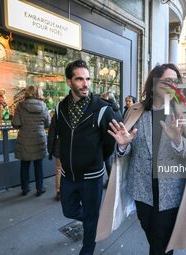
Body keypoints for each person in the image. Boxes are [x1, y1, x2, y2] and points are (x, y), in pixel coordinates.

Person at [97, 63, 186, 255]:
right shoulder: (135, 110)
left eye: (176, 82)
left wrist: (177, 142)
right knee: (154, 235)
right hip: (142, 189)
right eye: (167, 81)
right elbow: (127, 150)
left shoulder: (185, 111)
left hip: (171, 190)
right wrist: (123, 145)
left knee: (161, 241)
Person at [56, 60, 120, 255]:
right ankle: (94, 219)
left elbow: (109, 143)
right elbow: (61, 135)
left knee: (90, 219)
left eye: (88, 79)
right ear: (69, 82)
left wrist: (96, 160)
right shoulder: (61, 107)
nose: (85, 84)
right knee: (69, 211)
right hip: (68, 174)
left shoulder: (102, 108)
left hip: (92, 177)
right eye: (79, 79)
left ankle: (88, 248)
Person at [12, 86, 50, 196]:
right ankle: (40, 188)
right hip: (39, 138)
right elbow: (48, 124)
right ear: (39, 93)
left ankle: (25, 188)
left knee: (24, 165)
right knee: (38, 165)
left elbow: (16, 123)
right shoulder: (43, 106)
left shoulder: (20, 106)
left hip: (25, 138)